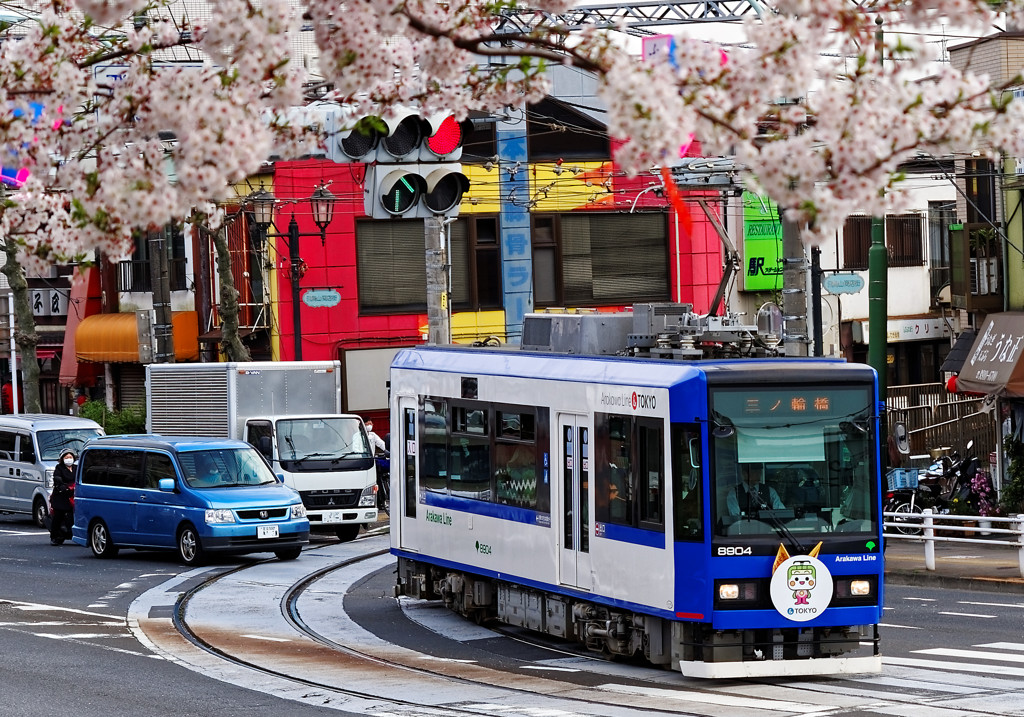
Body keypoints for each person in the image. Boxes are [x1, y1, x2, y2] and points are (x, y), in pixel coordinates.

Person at [49, 450, 76, 545]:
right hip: (61, 495)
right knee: (58, 515)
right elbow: (57, 478)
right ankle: (54, 536)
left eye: (70, 457)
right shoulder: (59, 468)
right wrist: (63, 487)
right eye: (66, 458)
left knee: (73, 515)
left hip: (74, 494)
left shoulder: (76, 468)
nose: (69, 459)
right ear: (62, 459)